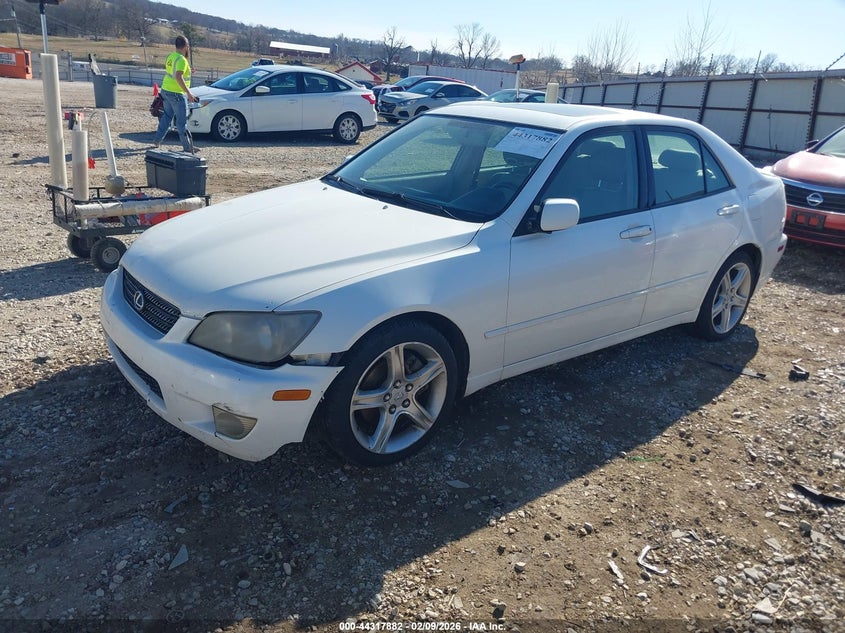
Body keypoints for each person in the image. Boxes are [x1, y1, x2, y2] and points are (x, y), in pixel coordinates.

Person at [153, 36, 199, 153]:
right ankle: (187, 146)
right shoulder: (182, 60)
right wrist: (188, 93)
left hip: (166, 90)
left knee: (167, 116)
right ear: (186, 46)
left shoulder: (171, 56)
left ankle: (157, 140)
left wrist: (188, 70)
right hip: (177, 93)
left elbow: (173, 72)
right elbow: (178, 76)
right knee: (181, 121)